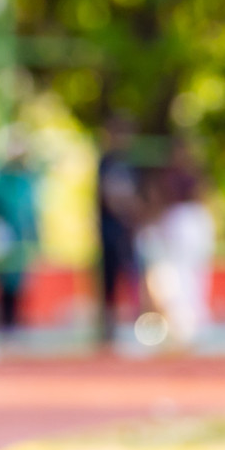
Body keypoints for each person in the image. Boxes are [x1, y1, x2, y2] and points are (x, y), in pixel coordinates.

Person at [138, 138, 215, 347]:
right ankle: (182, 324)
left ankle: (188, 324)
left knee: (187, 276)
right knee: (180, 276)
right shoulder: (175, 177)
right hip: (183, 224)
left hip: (186, 224)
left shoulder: (183, 177)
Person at [0, 135, 38, 329]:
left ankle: (13, 324)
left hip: (21, 243)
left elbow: (30, 214)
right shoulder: (2, 181)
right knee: (4, 283)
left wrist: (35, 239)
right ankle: (3, 324)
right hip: (5, 242)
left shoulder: (26, 181)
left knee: (19, 285)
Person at [96, 116, 141, 349]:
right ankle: (108, 332)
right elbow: (109, 195)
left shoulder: (130, 162)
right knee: (109, 282)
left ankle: (141, 328)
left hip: (126, 231)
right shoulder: (107, 162)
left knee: (134, 277)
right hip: (110, 231)